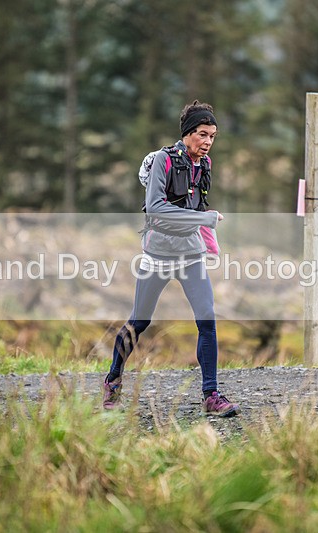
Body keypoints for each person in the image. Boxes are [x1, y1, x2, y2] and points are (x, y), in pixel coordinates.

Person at [102, 100, 240, 417]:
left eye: (213, 136)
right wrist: (203, 221)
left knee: (207, 318)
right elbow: (155, 208)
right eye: (203, 134)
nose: (208, 142)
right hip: (158, 254)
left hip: (190, 254)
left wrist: (208, 233)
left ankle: (211, 395)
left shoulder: (205, 165)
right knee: (140, 320)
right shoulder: (164, 161)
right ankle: (113, 380)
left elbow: (197, 210)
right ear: (188, 133)